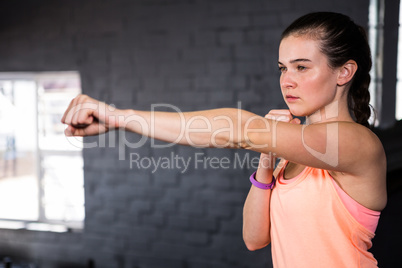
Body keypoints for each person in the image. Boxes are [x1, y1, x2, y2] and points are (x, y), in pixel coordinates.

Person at [61, 12, 386, 268]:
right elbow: (254, 238)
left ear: (344, 73)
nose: (287, 81)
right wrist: (267, 158)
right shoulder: (294, 151)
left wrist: (118, 116)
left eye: (302, 67)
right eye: (282, 68)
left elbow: (239, 130)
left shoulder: (357, 144)